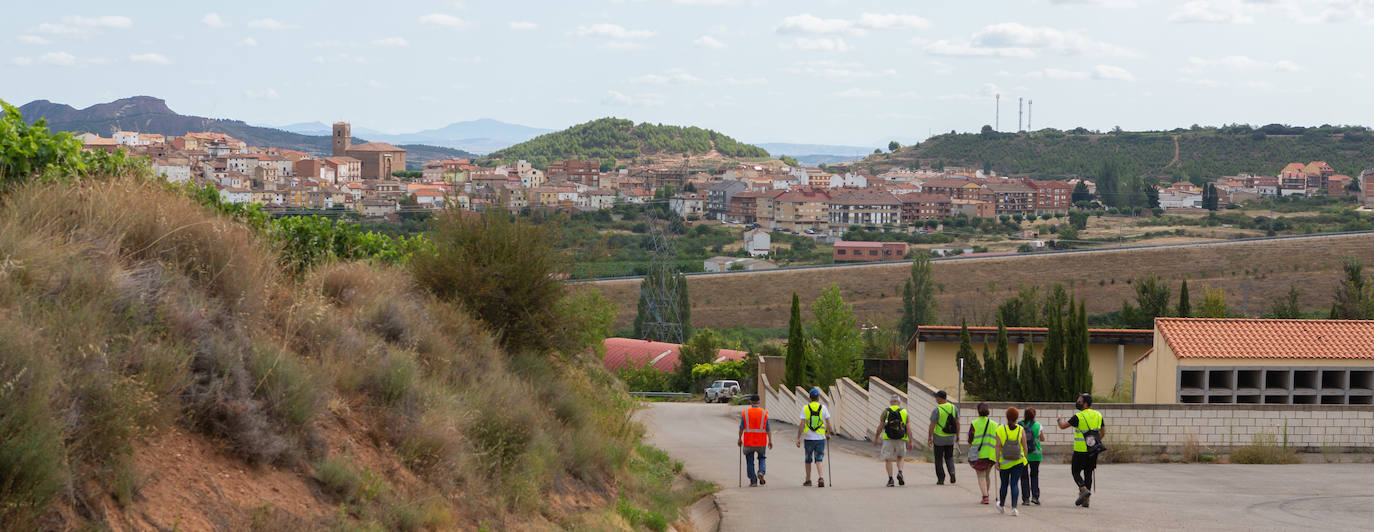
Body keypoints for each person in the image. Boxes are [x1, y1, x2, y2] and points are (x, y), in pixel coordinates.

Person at [1057, 393, 1106, 508]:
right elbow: (1103, 432)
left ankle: (1083, 489)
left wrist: (1059, 419)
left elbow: (1063, 426)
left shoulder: (1078, 416)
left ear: (1085, 404)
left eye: (1079, 401)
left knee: (1075, 472)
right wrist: (1094, 443)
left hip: (1080, 450)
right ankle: (1086, 500)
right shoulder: (1098, 415)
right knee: (1088, 472)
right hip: (1092, 450)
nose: (1077, 403)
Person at [993, 407, 1028, 516]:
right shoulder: (1020, 429)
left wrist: (997, 461)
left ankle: (1002, 506)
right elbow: (1025, 447)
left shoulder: (1000, 429)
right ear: (1017, 418)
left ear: (1006, 417)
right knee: (1014, 484)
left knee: (1004, 484)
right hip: (1018, 461)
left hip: (1004, 462)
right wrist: (1024, 458)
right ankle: (1014, 508)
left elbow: (998, 446)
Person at [872, 394, 912, 487]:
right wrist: (911, 441)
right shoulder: (904, 412)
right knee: (900, 457)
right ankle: (900, 472)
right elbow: (908, 428)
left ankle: (890, 480)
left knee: (888, 459)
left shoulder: (886, 411)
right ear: (899, 402)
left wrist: (876, 437)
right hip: (901, 438)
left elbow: (881, 426)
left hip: (888, 439)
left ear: (890, 402)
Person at [794, 387, 831, 487]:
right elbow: (828, 423)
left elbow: (802, 424)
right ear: (818, 397)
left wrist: (798, 438)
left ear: (810, 398)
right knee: (819, 459)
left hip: (808, 438)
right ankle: (821, 477)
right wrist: (828, 433)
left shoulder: (805, 408)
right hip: (820, 438)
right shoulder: (823, 408)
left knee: (808, 459)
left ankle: (808, 480)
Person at [967, 402, 999, 504]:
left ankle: (985, 497)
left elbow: (970, 439)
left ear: (978, 411)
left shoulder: (974, 423)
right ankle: (986, 494)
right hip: (991, 454)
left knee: (981, 476)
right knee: (987, 476)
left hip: (979, 454)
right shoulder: (995, 424)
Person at [738, 394, 772, 487]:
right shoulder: (764, 413)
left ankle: (753, 481)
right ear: (759, 402)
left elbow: (741, 428)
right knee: (762, 458)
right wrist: (770, 441)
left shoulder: (745, 413)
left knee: (750, 461)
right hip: (761, 442)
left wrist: (739, 439)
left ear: (750, 402)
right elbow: (768, 428)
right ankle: (761, 472)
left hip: (749, 442)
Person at [927, 390, 958, 486]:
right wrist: (958, 435)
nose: (935, 399)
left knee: (938, 458)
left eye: (936, 397)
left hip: (939, 438)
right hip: (950, 437)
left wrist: (929, 437)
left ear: (940, 398)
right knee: (949, 457)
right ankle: (952, 472)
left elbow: (932, 425)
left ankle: (941, 479)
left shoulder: (937, 410)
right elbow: (957, 423)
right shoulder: (954, 408)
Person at [1018, 407, 1043, 506]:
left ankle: (1026, 499)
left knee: (1024, 476)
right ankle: (1035, 497)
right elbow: (1042, 438)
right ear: (1034, 415)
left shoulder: (1019, 425)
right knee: (1034, 475)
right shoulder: (1038, 425)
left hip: (1023, 454)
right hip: (1036, 454)